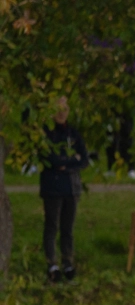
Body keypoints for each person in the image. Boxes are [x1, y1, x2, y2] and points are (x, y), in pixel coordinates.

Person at [39, 97, 87, 284]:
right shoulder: (47, 133)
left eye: (65, 108)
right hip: (52, 188)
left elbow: (83, 159)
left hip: (71, 187)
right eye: (58, 109)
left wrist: (66, 164)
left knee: (68, 228)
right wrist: (70, 160)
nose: (62, 112)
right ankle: (52, 263)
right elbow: (51, 159)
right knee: (52, 226)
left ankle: (68, 261)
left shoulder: (73, 133)